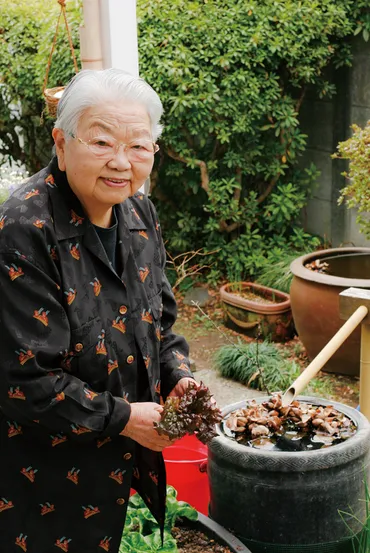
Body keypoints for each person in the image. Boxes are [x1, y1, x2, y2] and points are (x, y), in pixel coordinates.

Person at [0, 68, 198, 553]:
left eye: (139, 145)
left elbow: (161, 324)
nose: (121, 162)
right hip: (42, 477)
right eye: (102, 142)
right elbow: (23, 381)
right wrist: (126, 417)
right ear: (61, 144)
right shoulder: (23, 230)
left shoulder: (138, 213)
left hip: (111, 468)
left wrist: (181, 378)